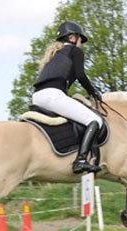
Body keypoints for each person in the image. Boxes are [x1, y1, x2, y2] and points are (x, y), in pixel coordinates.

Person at [32, 21, 104, 174]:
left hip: (38, 96)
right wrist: (93, 92)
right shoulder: (74, 51)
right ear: (72, 38)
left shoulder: (54, 55)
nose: (81, 44)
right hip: (52, 95)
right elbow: (81, 76)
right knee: (95, 120)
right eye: (80, 40)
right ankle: (81, 160)